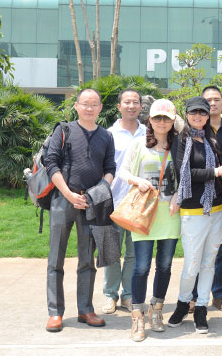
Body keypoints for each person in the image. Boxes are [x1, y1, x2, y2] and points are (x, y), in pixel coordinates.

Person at [44, 88, 116, 332]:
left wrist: (96, 193)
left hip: (90, 204)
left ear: (100, 108)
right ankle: (55, 312)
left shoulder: (106, 136)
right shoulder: (63, 130)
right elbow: (51, 163)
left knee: (87, 260)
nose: (89, 108)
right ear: (76, 106)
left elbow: (110, 168)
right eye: (85, 103)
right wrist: (69, 194)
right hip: (63, 200)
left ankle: (85, 309)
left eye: (94, 104)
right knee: (56, 259)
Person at [167, 96, 222, 333]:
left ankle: (201, 308)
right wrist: (216, 171)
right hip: (193, 210)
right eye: (193, 112)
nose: (198, 116)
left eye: (202, 112)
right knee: (192, 263)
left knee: (209, 262)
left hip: (217, 209)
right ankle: (182, 303)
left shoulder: (211, 140)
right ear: (187, 114)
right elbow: (185, 173)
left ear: (208, 115)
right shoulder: (181, 140)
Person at [118, 99, 180, 342]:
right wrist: (137, 181)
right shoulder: (139, 144)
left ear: (173, 121)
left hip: (170, 215)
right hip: (144, 214)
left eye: (167, 118)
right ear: (150, 120)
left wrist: (178, 195)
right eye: (157, 118)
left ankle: (157, 309)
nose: (162, 122)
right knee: (141, 267)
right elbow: (123, 171)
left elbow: (185, 175)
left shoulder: (179, 145)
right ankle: (137, 315)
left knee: (165, 266)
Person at [189, 85, 222, 313]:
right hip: (197, 199)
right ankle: (192, 297)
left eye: (216, 99)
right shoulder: (195, 131)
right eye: (208, 100)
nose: (212, 103)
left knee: (221, 249)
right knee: (196, 250)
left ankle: (219, 294)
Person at [102, 88, 146, 315]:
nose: (131, 106)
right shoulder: (109, 134)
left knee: (133, 253)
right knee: (111, 251)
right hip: (114, 200)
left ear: (141, 106)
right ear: (119, 106)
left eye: (135, 102)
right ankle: (110, 295)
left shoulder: (148, 133)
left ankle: (128, 295)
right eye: (127, 102)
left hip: (140, 203)